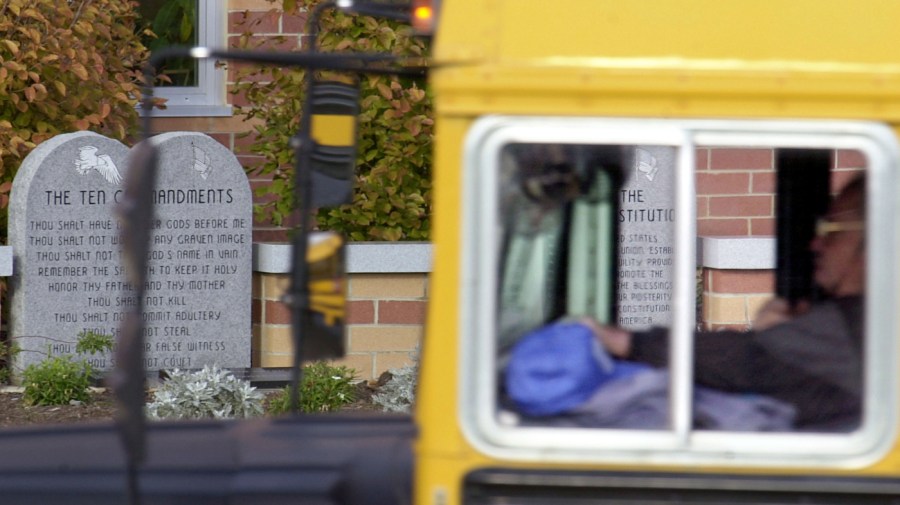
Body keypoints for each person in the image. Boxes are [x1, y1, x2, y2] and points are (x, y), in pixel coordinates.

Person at [505, 174, 865, 431]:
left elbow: (748, 362)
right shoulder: (847, 323)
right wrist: (785, 336)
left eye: (830, 232)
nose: (816, 245)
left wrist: (625, 342)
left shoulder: (865, 321)